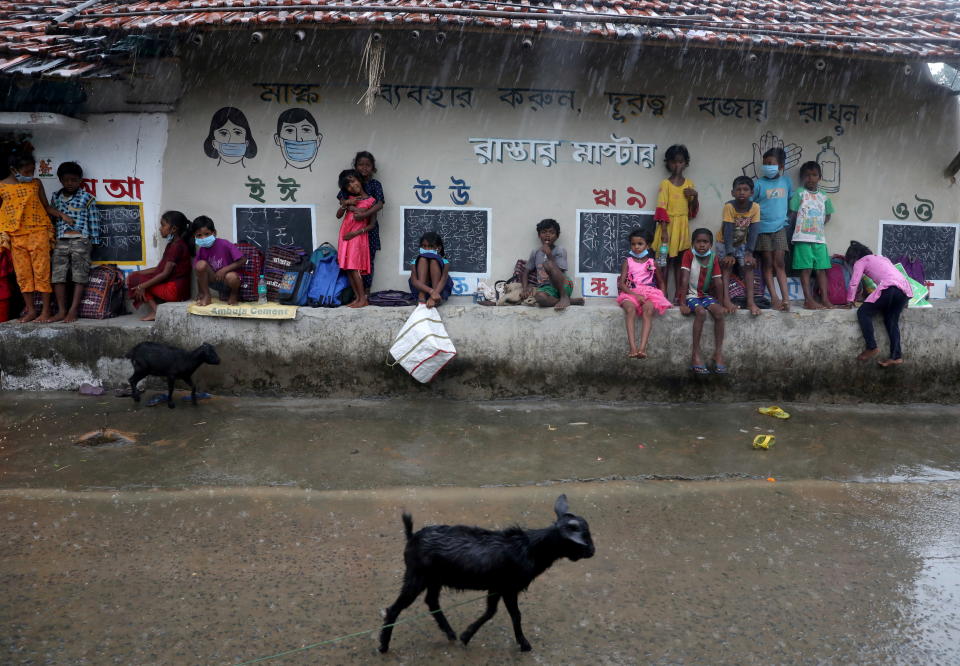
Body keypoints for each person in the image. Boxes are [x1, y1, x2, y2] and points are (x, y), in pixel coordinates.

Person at [0, 152, 70, 323]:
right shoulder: (1, 187)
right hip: (16, 235)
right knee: (23, 275)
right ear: (13, 169)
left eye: (33, 171)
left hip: (38, 232)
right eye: (26, 171)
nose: (31, 175)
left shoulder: (36, 183)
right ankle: (31, 311)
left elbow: (45, 206)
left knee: (42, 273)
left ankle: (45, 311)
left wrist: (61, 214)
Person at [844, 241, 912, 367]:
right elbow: (894, 275)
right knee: (891, 320)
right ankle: (896, 356)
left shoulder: (861, 261)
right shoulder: (883, 258)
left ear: (854, 258)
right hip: (904, 292)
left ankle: (871, 347)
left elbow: (854, 282)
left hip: (890, 288)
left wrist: (850, 300)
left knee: (863, 312)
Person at [48, 162, 100, 323]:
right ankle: (62, 311)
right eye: (66, 180)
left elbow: (94, 220)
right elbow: (51, 218)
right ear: (60, 180)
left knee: (79, 275)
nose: (70, 183)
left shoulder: (87, 198)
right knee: (57, 275)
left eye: (74, 180)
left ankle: (73, 310)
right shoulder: (55, 197)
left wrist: (94, 241)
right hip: (60, 241)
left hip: (81, 241)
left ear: (80, 181)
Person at [616, 227, 672, 359]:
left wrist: (661, 298)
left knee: (648, 311)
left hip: (650, 293)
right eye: (633, 244)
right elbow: (622, 283)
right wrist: (635, 295)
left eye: (640, 244)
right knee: (630, 310)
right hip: (631, 292)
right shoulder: (628, 262)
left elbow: (662, 282)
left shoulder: (652, 263)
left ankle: (642, 348)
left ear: (648, 245)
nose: (636, 247)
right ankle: (633, 348)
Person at [126, 211, 193, 321]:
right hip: (179, 290)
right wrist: (137, 273)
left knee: (138, 282)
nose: (160, 228)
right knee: (136, 277)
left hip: (175, 290)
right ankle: (155, 310)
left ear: (174, 229)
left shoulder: (176, 247)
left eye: (163, 225)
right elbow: (159, 269)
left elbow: (165, 273)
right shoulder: (172, 245)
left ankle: (156, 311)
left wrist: (141, 286)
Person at [653, 144, 699, 302]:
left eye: (680, 162)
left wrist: (695, 196)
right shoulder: (665, 184)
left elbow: (692, 212)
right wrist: (664, 232)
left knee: (680, 263)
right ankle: (662, 295)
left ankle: (679, 296)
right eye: (673, 162)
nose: (677, 165)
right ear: (668, 163)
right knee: (664, 263)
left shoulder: (689, 184)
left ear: (686, 163)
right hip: (667, 227)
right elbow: (661, 208)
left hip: (682, 227)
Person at [678, 228, 727, 375]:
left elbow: (718, 282)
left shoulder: (713, 257)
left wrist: (721, 303)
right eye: (698, 242)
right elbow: (684, 279)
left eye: (705, 242)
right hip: (690, 295)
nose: (702, 245)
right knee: (700, 312)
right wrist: (682, 303)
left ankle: (718, 353)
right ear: (693, 243)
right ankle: (695, 355)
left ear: (710, 244)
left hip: (704, 295)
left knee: (719, 313)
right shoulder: (688, 255)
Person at [789, 161, 835, 310]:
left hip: (819, 239)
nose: (810, 178)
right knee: (806, 269)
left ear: (819, 177)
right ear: (803, 177)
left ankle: (825, 299)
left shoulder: (824, 196)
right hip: (802, 238)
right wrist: (802, 227)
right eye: (807, 175)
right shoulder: (799, 193)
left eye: (814, 175)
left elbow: (828, 215)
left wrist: (818, 227)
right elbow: (793, 214)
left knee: (821, 269)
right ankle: (808, 300)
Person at [752, 147, 794, 311]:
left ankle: (786, 299)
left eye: (771, 163)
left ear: (781, 165)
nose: (767, 166)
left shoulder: (786, 181)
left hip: (780, 229)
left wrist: (788, 219)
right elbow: (752, 204)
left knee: (780, 263)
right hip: (762, 229)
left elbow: (792, 202)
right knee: (767, 264)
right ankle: (774, 299)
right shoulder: (758, 184)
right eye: (765, 163)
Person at [337, 151, 384, 292]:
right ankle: (356, 293)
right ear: (355, 166)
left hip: (369, 228)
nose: (364, 168)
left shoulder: (375, 184)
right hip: (351, 228)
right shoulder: (350, 181)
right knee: (351, 260)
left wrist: (364, 214)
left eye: (368, 165)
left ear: (373, 167)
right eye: (361, 164)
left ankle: (366, 291)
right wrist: (350, 205)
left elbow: (380, 204)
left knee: (368, 260)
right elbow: (342, 200)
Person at [718, 175, 761, 315]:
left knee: (748, 267)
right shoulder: (729, 206)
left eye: (745, 189)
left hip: (742, 242)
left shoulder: (755, 207)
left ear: (751, 193)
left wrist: (750, 253)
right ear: (732, 192)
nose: (742, 192)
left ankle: (750, 302)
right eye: (738, 189)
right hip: (725, 242)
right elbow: (728, 230)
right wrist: (730, 253)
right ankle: (726, 300)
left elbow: (754, 230)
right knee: (727, 267)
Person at [521, 218, 583, 311]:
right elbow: (525, 272)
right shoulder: (535, 252)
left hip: (563, 285)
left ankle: (564, 297)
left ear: (557, 236)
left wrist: (549, 254)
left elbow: (559, 273)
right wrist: (525, 288)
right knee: (539, 298)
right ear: (539, 235)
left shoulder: (560, 250)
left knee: (548, 264)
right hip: (546, 288)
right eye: (544, 232)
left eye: (551, 232)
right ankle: (570, 301)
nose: (547, 235)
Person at [336, 169, 376, 308]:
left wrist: (355, 233)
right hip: (344, 237)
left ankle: (363, 299)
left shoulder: (371, 201)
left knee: (354, 268)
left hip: (357, 236)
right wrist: (346, 204)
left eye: (353, 181)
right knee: (348, 268)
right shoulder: (350, 199)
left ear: (359, 179)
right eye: (348, 185)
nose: (352, 186)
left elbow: (372, 225)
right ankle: (357, 298)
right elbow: (338, 215)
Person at [192, 216, 243, 306]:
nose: (203, 238)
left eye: (207, 234)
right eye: (199, 235)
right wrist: (201, 292)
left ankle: (234, 294)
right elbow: (198, 272)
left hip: (229, 281)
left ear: (214, 233)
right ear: (195, 236)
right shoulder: (201, 250)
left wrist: (224, 270)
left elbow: (243, 260)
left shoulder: (224, 244)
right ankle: (207, 296)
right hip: (214, 280)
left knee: (231, 277)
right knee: (200, 265)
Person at [409, 231, 452, 307]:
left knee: (434, 260)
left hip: (439, 291)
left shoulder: (445, 262)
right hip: (421, 291)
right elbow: (414, 281)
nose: (427, 249)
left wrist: (434, 296)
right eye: (424, 246)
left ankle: (435, 299)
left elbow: (443, 280)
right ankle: (421, 296)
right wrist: (431, 292)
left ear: (438, 249)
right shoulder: (415, 262)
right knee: (422, 259)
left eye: (431, 246)